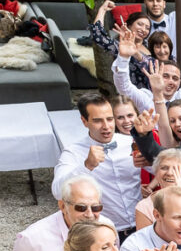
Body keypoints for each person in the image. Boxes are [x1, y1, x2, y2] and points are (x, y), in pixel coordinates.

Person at [52, 94, 141, 240]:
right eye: (98, 121)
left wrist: (150, 161)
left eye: (110, 119)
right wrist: (86, 166)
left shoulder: (131, 142)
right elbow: (57, 191)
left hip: (141, 227)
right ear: (84, 121)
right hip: (104, 232)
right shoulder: (73, 152)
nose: (106, 126)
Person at [90, 2, 152, 89]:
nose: (143, 29)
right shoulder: (121, 47)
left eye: (147, 28)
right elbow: (98, 35)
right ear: (129, 25)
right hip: (130, 94)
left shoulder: (150, 44)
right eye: (140, 24)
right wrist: (102, 10)